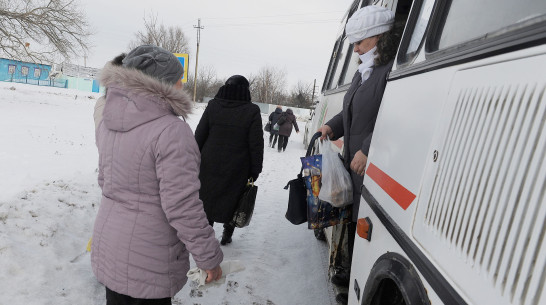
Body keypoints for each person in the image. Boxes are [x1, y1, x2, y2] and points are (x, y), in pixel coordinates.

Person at [91, 45, 223, 305]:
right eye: (178, 79)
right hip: (148, 257)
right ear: (163, 84)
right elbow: (182, 205)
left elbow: (105, 182)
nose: (182, 84)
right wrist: (209, 257)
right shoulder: (172, 131)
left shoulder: (109, 121)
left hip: (110, 245)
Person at [317, 6, 402, 304]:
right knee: (354, 220)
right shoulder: (363, 71)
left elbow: (393, 113)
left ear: (380, 37)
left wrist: (368, 147)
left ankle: (356, 274)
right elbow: (350, 110)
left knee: (365, 223)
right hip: (353, 165)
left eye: (360, 42)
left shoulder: (389, 71)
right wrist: (331, 125)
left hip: (370, 164)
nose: (355, 48)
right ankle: (352, 269)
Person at [195, 75, 264, 245]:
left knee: (208, 199)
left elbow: (199, 135)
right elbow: (256, 144)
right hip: (238, 167)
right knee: (233, 201)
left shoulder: (213, 106)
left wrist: (193, 159)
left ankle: (207, 234)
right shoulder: (252, 110)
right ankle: (227, 234)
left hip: (208, 163)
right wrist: (255, 170)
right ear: (245, 91)